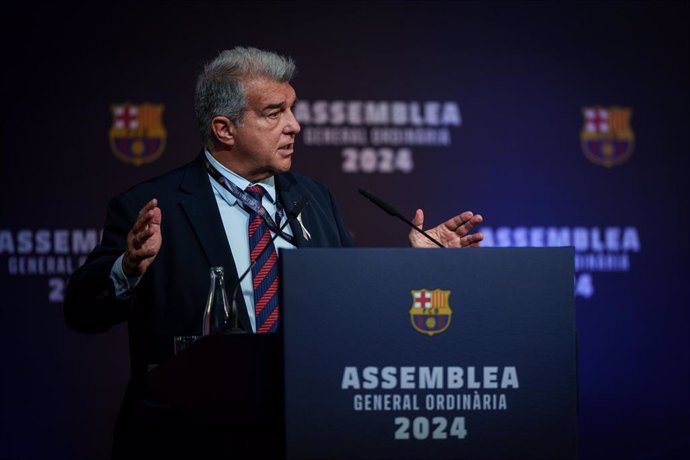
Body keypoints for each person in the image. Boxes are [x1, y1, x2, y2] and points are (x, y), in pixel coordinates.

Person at [64, 46, 483, 459]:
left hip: (305, 427)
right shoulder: (155, 205)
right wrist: (128, 267)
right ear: (224, 129)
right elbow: (83, 311)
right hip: (189, 437)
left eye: (292, 109)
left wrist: (413, 266)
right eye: (274, 112)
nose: (295, 126)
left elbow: (352, 304)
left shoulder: (314, 198)